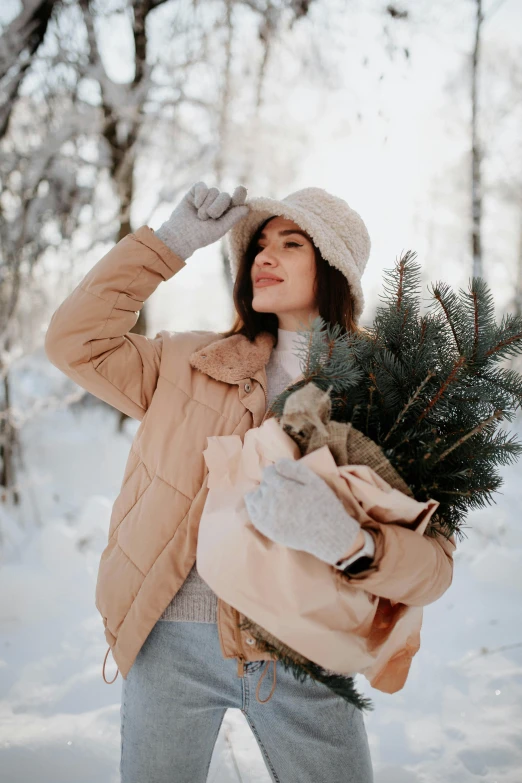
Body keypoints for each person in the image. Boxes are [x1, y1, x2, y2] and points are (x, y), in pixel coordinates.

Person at [44, 182, 453, 782]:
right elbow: (73, 342)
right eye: (259, 244)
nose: (263, 256)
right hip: (173, 640)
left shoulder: (384, 395)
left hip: (306, 652)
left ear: (333, 267)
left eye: (290, 243)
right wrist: (170, 243)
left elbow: (434, 565)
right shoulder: (189, 364)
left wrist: (354, 545)